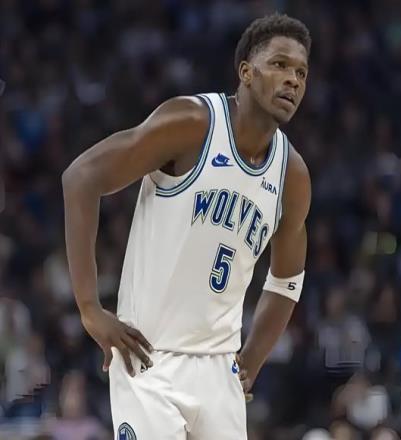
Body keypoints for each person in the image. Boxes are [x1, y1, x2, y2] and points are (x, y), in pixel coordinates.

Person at [62, 13, 311, 439]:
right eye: (279, 65)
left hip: (219, 368)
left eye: (301, 73)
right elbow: (81, 178)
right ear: (246, 72)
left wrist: (251, 360)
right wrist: (89, 307)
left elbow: (286, 281)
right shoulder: (192, 123)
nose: (292, 80)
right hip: (149, 357)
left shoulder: (292, 175)